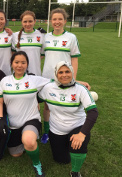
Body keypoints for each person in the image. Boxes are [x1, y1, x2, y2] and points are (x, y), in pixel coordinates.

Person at [38, 61, 98, 177]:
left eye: (67, 71)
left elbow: (93, 112)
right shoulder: (48, 88)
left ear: (72, 72)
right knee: (62, 160)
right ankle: (65, 144)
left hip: (77, 126)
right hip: (56, 130)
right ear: (56, 74)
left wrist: (82, 133)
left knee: (77, 146)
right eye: (60, 72)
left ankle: (75, 172)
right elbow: (35, 99)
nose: (64, 75)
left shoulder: (80, 89)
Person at [0, 51, 51, 177]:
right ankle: (25, 140)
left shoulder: (34, 80)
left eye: (23, 62)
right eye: (16, 62)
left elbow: (56, 82)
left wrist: (77, 82)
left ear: (27, 64)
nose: (19, 65)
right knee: (16, 154)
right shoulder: (5, 81)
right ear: (11, 64)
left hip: (31, 119)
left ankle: (37, 164)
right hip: (13, 124)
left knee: (29, 141)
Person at [41, 8, 82, 144]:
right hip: (47, 77)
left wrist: (73, 77)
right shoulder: (46, 37)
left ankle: (65, 131)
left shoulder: (71, 37)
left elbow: (74, 59)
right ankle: (47, 132)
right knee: (47, 106)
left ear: (65, 21)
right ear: (50, 21)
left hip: (64, 77)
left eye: (60, 19)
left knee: (64, 104)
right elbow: (41, 56)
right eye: (54, 19)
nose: (57, 22)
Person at [13, 10, 45, 76]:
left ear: (34, 21)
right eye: (25, 21)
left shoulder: (41, 35)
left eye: (30, 21)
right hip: (19, 74)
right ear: (21, 22)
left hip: (36, 73)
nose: (28, 24)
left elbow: (42, 55)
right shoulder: (15, 36)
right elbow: (13, 54)